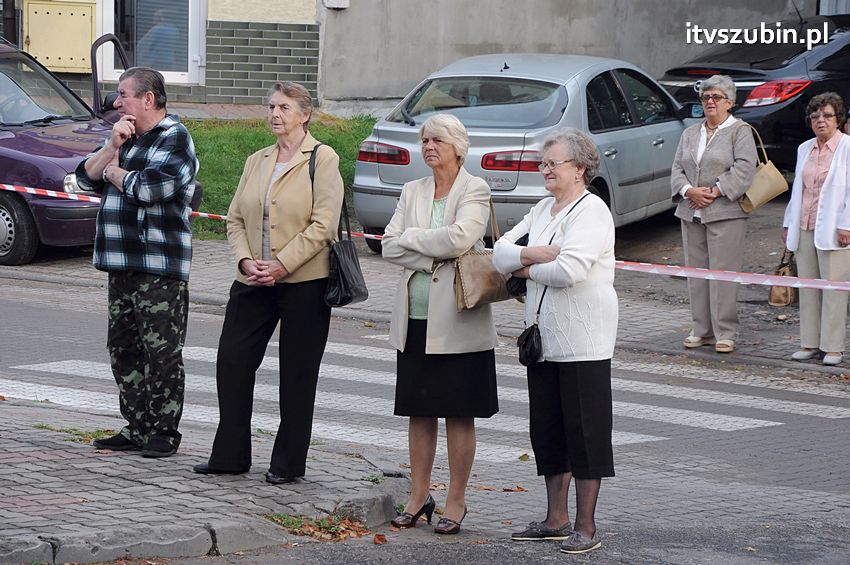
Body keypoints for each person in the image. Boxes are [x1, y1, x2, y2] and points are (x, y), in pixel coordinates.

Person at [193, 82, 344, 483]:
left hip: (304, 284)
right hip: (252, 280)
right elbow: (234, 218)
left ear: (304, 114)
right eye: (272, 107)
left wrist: (282, 264)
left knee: (297, 373)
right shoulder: (256, 159)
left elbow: (324, 225)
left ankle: (288, 464)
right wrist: (246, 261)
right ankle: (229, 455)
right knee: (232, 362)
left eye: (284, 107)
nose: (275, 114)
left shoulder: (323, 158)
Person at [493, 128, 616, 555]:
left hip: (584, 338)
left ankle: (586, 525)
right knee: (547, 428)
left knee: (585, 430)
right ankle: (555, 519)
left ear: (579, 169)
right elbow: (498, 253)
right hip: (543, 340)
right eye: (542, 163)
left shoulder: (592, 211)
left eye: (553, 164)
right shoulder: (543, 209)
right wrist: (534, 254)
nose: (544, 170)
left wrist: (524, 268)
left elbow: (570, 271)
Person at [382, 113, 498, 535]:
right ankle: (418, 495)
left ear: (457, 147)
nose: (429, 146)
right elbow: (387, 245)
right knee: (418, 411)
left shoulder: (476, 188)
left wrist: (411, 240)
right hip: (414, 318)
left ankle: (456, 500)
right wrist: (430, 250)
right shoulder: (412, 189)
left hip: (458, 322)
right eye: (425, 139)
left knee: (458, 413)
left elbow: (461, 239)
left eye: (437, 140)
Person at [75, 67, 198, 458]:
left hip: (158, 265)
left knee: (160, 350)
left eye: (123, 94)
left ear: (148, 99)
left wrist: (113, 172)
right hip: (120, 261)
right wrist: (112, 150)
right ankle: (137, 425)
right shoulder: (124, 138)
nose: (116, 102)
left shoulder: (175, 138)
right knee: (123, 346)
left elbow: (150, 188)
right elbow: (83, 178)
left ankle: (164, 431)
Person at [670, 74, 757, 354]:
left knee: (723, 275)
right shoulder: (690, 133)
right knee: (696, 275)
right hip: (690, 211)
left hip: (725, 212)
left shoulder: (739, 131)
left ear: (729, 102)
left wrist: (715, 191)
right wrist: (687, 191)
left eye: (716, 97)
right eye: (706, 97)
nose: (710, 101)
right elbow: (676, 168)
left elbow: (745, 168)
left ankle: (725, 332)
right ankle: (702, 330)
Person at [783, 92, 850, 366]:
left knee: (834, 289)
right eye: (815, 116)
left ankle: (832, 347)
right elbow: (797, 190)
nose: (820, 120)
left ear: (838, 119)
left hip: (836, 229)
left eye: (827, 115)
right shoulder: (804, 148)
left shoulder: (847, 147)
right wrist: (788, 224)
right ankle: (809, 343)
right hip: (805, 226)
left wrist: (847, 224)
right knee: (808, 287)